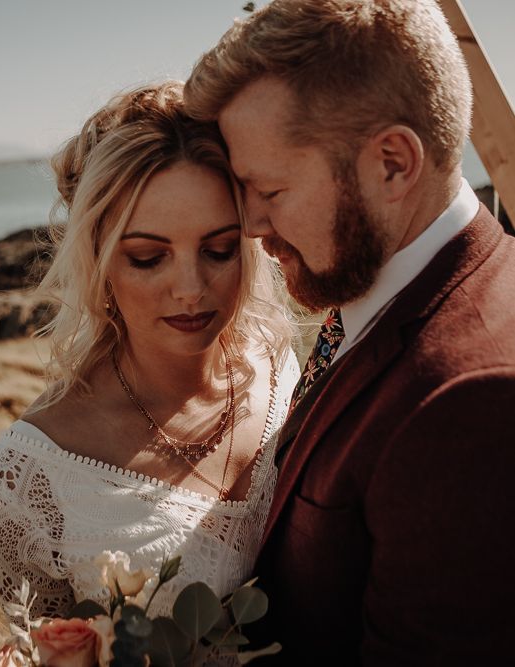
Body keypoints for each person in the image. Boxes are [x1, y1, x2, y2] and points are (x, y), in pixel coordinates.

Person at [185, 0, 515, 664]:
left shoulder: (470, 404)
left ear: (392, 163)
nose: (248, 224)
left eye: (269, 190)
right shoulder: (384, 280)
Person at [0, 81, 299, 622]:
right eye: (149, 258)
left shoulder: (280, 369)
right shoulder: (32, 480)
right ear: (98, 260)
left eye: (218, 249)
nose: (191, 287)